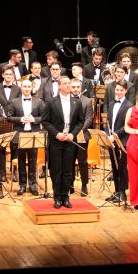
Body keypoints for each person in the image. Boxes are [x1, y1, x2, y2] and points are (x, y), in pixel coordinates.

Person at [41, 76, 84, 208]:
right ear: (59, 86)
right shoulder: (51, 102)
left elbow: (80, 122)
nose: (68, 85)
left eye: (69, 83)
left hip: (70, 141)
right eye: (65, 83)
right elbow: (45, 121)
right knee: (56, 170)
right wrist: (57, 134)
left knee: (68, 170)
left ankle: (65, 196)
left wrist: (72, 134)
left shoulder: (77, 102)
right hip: (56, 141)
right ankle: (57, 197)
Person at [105, 80, 132, 204]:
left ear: (125, 91)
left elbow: (127, 125)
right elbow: (108, 122)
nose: (119, 92)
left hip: (123, 140)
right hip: (111, 140)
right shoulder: (111, 104)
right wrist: (107, 134)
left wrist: (115, 136)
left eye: (121, 90)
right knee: (114, 166)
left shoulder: (129, 106)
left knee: (122, 167)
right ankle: (116, 192)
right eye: (117, 90)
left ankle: (123, 193)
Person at [69, 78, 93, 196]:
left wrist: (78, 131)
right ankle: (70, 184)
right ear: (70, 87)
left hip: (82, 135)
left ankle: (84, 185)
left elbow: (89, 118)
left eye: (78, 87)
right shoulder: (66, 100)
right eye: (73, 87)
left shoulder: (87, 101)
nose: (75, 89)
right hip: (69, 135)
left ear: (81, 87)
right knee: (69, 161)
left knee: (82, 161)